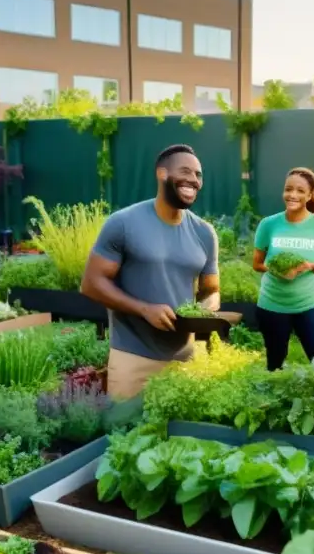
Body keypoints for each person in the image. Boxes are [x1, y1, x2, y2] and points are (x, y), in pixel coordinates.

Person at [81, 144, 219, 399]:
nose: (193, 180)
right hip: (133, 357)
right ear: (162, 174)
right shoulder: (124, 223)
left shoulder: (204, 233)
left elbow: (211, 289)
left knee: (183, 437)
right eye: (185, 171)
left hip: (185, 359)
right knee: (125, 435)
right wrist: (144, 309)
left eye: (198, 175)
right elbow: (91, 283)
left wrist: (205, 309)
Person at [252, 168, 314, 370]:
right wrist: (278, 271)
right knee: (275, 363)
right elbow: (257, 264)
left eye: (300, 191)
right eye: (288, 189)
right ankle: (275, 400)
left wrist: (309, 265)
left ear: (309, 195)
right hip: (272, 304)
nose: (293, 195)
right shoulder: (269, 224)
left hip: (307, 305)